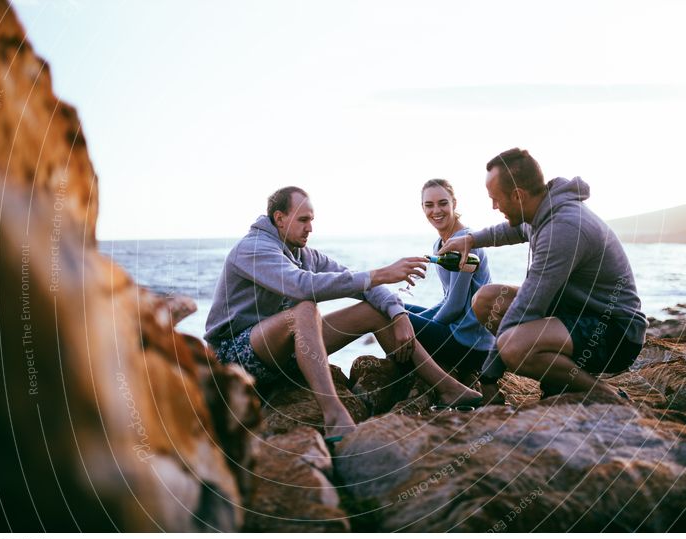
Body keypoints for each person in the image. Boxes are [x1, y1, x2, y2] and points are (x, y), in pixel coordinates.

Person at [205, 186, 482, 440]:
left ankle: (448, 389)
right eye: (303, 220)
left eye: (311, 219)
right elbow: (301, 285)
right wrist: (382, 273)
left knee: (373, 310)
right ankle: (335, 417)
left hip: (282, 354)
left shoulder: (305, 254)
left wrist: (398, 314)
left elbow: (355, 281)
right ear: (279, 218)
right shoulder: (253, 248)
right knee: (305, 308)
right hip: (234, 357)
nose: (310, 228)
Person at [438, 148, 647, 399]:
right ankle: (559, 379)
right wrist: (471, 240)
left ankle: (604, 393)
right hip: (575, 314)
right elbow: (512, 231)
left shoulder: (564, 227)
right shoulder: (540, 209)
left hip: (614, 331)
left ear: (518, 195)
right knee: (486, 300)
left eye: (496, 199)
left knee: (513, 347)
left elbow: (529, 306)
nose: (494, 206)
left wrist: (490, 375)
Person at [403, 179, 495, 376]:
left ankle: (423, 377)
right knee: (394, 308)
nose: (436, 210)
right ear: (422, 208)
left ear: (454, 203)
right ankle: (409, 370)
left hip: (470, 344)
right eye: (429, 205)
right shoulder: (439, 244)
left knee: (390, 318)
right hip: (455, 331)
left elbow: (455, 306)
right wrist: (414, 320)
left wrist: (414, 325)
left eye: (443, 203)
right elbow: (448, 298)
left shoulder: (467, 242)